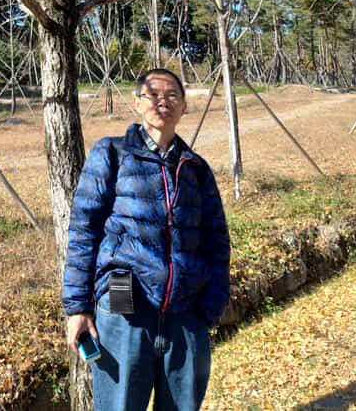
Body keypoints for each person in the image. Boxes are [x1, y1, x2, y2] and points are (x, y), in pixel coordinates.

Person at [62, 68, 230, 411]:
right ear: (138, 103)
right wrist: (78, 307)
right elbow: (83, 229)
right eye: (153, 95)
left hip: (186, 312)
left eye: (172, 96)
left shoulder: (196, 168)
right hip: (124, 304)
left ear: (184, 108)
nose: (162, 102)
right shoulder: (111, 153)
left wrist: (210, 308)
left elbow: (217, 241)